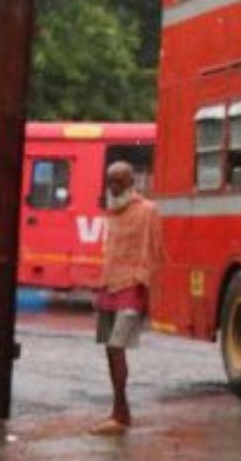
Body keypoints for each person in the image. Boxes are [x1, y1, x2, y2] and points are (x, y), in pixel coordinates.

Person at [90, 160, 163, 435]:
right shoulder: (111, 212)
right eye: (110, 181)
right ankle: (120, 411)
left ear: (131, 182)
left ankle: (120, 414)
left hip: (133, 286)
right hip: (109, 285)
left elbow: (156, 253)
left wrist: (150, 293)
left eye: (119, 181)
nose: (113, 186)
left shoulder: (147, 211)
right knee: (110, 349)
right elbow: (108, 251)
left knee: (116, 346)